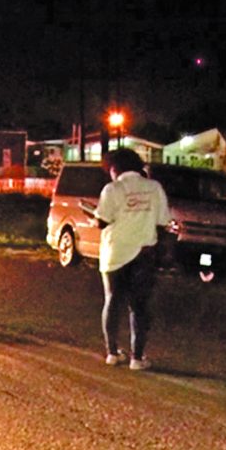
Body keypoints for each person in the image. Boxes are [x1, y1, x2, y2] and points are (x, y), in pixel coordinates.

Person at [92, 148, 170, 369]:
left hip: (115, 252)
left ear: (114, 168)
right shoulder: (154, 188)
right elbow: (163, 220)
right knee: (139, 305)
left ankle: (112, 352)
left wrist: (95, 219)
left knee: (112, 300)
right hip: (144, 251)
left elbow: (102, 221)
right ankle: (137, 357)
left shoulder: (112, 189)